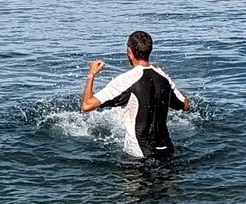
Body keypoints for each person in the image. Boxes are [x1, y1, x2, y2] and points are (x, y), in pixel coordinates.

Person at [81, 29, 191, 160]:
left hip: (139, 155)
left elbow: (86, 105)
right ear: (149, 50)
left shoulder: (126, 79)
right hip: (167, 150)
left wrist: (91, 74)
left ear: (129, 51)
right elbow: (185, 105)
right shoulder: (163, 77)